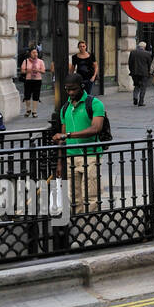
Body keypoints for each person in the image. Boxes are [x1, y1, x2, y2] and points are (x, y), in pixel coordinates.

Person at [52, 74, 107, 213]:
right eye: (67, 89)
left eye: (74, 89)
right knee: (74, 198)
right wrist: (59, 162)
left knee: (91, 196)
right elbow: (62, 140)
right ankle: (78, 224)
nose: (70, 93)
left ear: (82, 87)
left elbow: (96, 128)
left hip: (91, 155)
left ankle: (91, 226)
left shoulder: (94, 103)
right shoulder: (65, 108)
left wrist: (69, 135)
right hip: (70, 156)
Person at [20, 46, 47, 118]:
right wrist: (28, 71)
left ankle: (34, 111)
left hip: (37, 80)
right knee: (27, 95)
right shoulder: (26, 61)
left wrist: (38, 70)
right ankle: (28, 109)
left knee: (36, 96)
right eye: (34, 52)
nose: (35, 54)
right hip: (28, 80)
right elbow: (22, 71)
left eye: (36, 52)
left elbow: (43, 71)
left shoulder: (40, 61)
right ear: (30, 54)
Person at [128, 41, 153, 107]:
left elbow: (130, 63)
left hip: (134, 72)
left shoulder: (132, 52)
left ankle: (135, 97)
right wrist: (149, 72)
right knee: (143, 87)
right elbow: (149, 64)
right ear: (144, 47)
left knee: (136, 85)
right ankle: (141, 101)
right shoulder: (147, 53)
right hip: (144, 73)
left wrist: (131, 70)